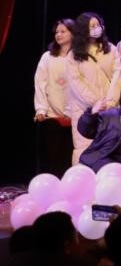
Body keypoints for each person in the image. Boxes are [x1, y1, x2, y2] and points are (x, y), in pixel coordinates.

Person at [64, 12, 121, 164]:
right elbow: (76, 82)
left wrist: (110, 102)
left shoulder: (111, 49)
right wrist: (96, 102)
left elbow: (117, 77)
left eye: (98, 25)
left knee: (109, 147)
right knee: (84, 148)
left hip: (109, 109)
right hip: (84, 109)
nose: (96, 28)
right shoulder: (73, 55)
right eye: (92, 26)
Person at [33, 18, 74, 175]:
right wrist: (41, 109)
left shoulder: (79, 57)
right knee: (52, 156)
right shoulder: (47, 57)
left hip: (74, 115)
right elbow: (40, 83)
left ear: (73, 33)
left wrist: (71, 111)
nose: (59, 34)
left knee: (69, 156)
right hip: (52, 115)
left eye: (63, 31)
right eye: (57, 32)